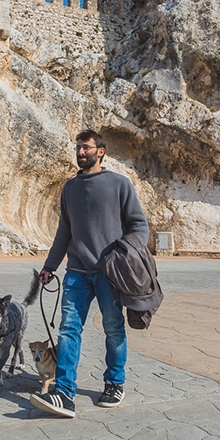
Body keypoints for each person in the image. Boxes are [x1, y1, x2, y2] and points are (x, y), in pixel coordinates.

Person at [30, 129, 149, 418]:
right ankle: (64, 393)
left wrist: (126, 256)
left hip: (110, 273)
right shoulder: (70, 188)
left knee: (113, 328)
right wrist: (49, 266)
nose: (80, 152)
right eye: (78, 148)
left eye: (86, 147)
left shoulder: (119, 184)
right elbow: (64, 232)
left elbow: (139, 226)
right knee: (69, 329)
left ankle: (114, 383)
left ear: (101, 151)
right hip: (76, 272)